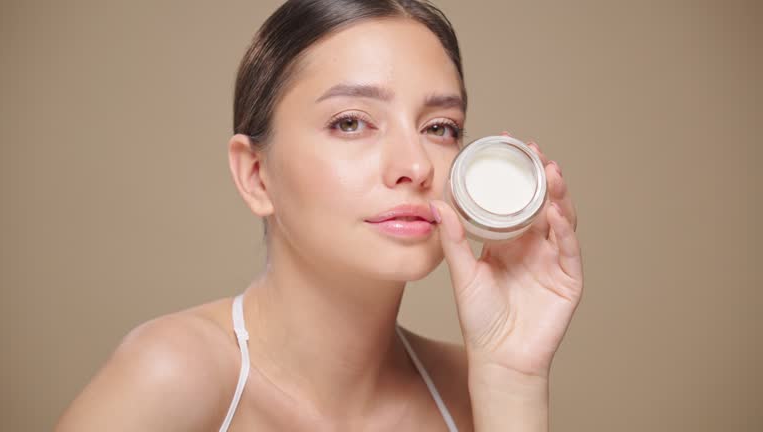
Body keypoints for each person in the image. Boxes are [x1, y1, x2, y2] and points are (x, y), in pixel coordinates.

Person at [55, 0, 583, 430]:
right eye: (351, 122)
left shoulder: (475, 386)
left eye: (440, 127)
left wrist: (512, 382)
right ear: (256, 175)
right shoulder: (173, 375)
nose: (416, 165)